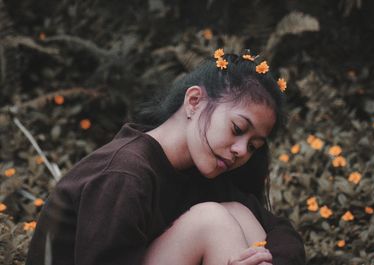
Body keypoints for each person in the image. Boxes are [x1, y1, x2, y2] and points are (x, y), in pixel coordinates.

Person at [26, 49, 305, 265]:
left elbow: (280, 231)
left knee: (238, 213)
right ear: (194, 101)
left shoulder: (203, 170)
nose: (242, 151)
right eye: (238, 129)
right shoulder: (125, 174)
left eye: (254, 146)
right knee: (211, 221)